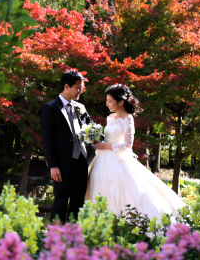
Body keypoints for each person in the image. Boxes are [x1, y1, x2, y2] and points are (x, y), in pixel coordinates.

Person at [86, 84, 186, 220]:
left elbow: (127, 145)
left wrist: (106, 146)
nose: (107, 104)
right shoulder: (110, 117)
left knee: (124, 190)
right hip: (101, 158)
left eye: (110, 101)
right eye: (107, 100)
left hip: (117, 159)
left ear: (120, 102)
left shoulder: (128, 119)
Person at [40, 70, 95, 220]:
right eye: (78, 87)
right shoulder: (50, 108)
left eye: (82, 87)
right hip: (63, 165)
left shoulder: (80, 108)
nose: (81, 91)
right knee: (61, 202)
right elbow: (47, 139)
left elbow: (92, 130)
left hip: (82, 163)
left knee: (78, 204)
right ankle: (55, 239)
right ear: (66, 86)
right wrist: (53, 165)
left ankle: (73, 239)